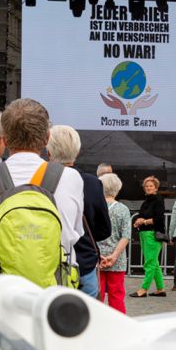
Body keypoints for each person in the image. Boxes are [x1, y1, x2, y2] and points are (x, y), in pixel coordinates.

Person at [0, 99, 85, 286]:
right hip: (54, 292)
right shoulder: (71, 178)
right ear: (47, 139)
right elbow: (75, 234)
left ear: (4, 140)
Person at [48, 124, 110, 300]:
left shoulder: (37, 181)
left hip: (48, 263)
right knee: (86, 322)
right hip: (83, 262)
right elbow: (104, 229)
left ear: (48, 151)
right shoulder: (91, 183)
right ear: (77, 151)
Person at [97, 173, 131, 312]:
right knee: (116, 296)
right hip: (117, 261)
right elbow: (126, 236)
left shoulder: (95, 206)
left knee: (96, 297)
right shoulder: (123, 209)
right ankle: (119, 327)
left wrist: (98, 254)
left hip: (97, 258)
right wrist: (115, 255)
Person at [132, 176, 168, 298]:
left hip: (152, 234)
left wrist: (144, 221)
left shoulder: (158, 200)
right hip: (145, 234)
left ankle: (143, 289)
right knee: (154, 263)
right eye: (146, 186)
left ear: (156, 188)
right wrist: (138, 221)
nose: (148, 188)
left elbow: (158, 219)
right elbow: (142, 216)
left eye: (151, 186)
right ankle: (160, 288)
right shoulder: (146, 202)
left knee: (149, 263)